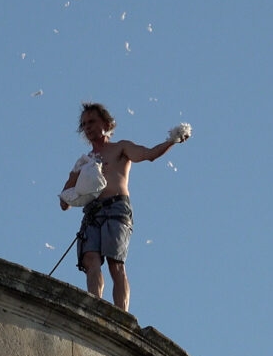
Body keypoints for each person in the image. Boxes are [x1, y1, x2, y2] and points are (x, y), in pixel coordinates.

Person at [58, 102, 189, 311]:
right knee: (91, 260)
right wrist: (74, 185)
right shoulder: (84, 161)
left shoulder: (120, 148)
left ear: (107, 123)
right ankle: (94, 307)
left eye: (92, 121)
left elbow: (148, 154)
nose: (88, 127)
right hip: (93, 213)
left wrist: (172, 140)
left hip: (116, 209)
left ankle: (121, 315)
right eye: (84, 124)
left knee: (115, 264)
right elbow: (65, 200)